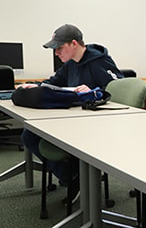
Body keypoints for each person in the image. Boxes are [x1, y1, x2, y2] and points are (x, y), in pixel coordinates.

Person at [20, 24, 124, 203]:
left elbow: (118, 87)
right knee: (29, 135)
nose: (56, 53)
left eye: (59, 48)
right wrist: (36, 85)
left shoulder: (99, 61)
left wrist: (95, 89)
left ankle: (74, 178)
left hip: (97, 123)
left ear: (74, 44)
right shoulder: (70, 65)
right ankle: (73, 177)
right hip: (73, 120)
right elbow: (53, 82)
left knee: (34, 136)